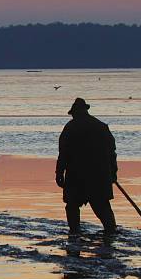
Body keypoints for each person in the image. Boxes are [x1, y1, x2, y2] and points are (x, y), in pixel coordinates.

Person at [56, 98, 117, 234]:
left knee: (72, 206)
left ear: (75, 113)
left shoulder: (70, 128)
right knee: (102, 206)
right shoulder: (101, 127)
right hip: (99, 174)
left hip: (77, 175)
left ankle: (74, 232)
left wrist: (59, 173)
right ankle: (111, 231)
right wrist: (113, 172)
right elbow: (112, 153)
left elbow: (63, 154)